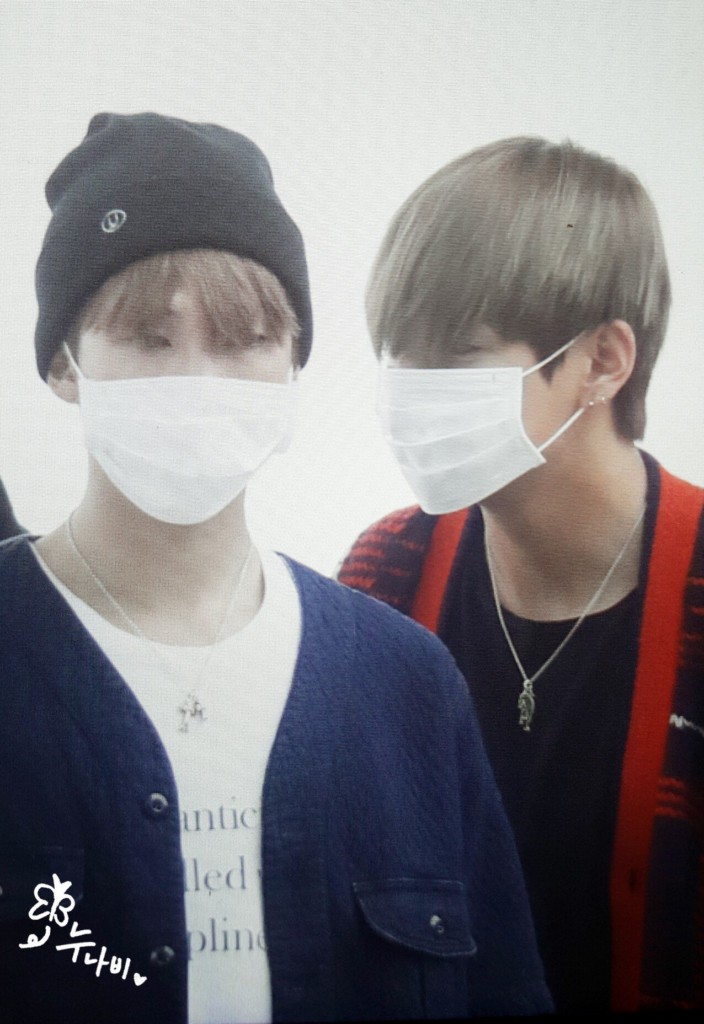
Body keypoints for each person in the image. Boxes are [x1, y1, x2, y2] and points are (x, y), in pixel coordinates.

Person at [0, 114, 550, 1024]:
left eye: (244, 338)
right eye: (149, 339)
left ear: (294, 364)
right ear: (64, 363)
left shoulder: (407, 683)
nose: (199, 380)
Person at [338, 136, 704, 1013]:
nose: (411, 391)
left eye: (458, 353)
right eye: (399, 354)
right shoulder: (386, 571)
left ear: (603, 362)